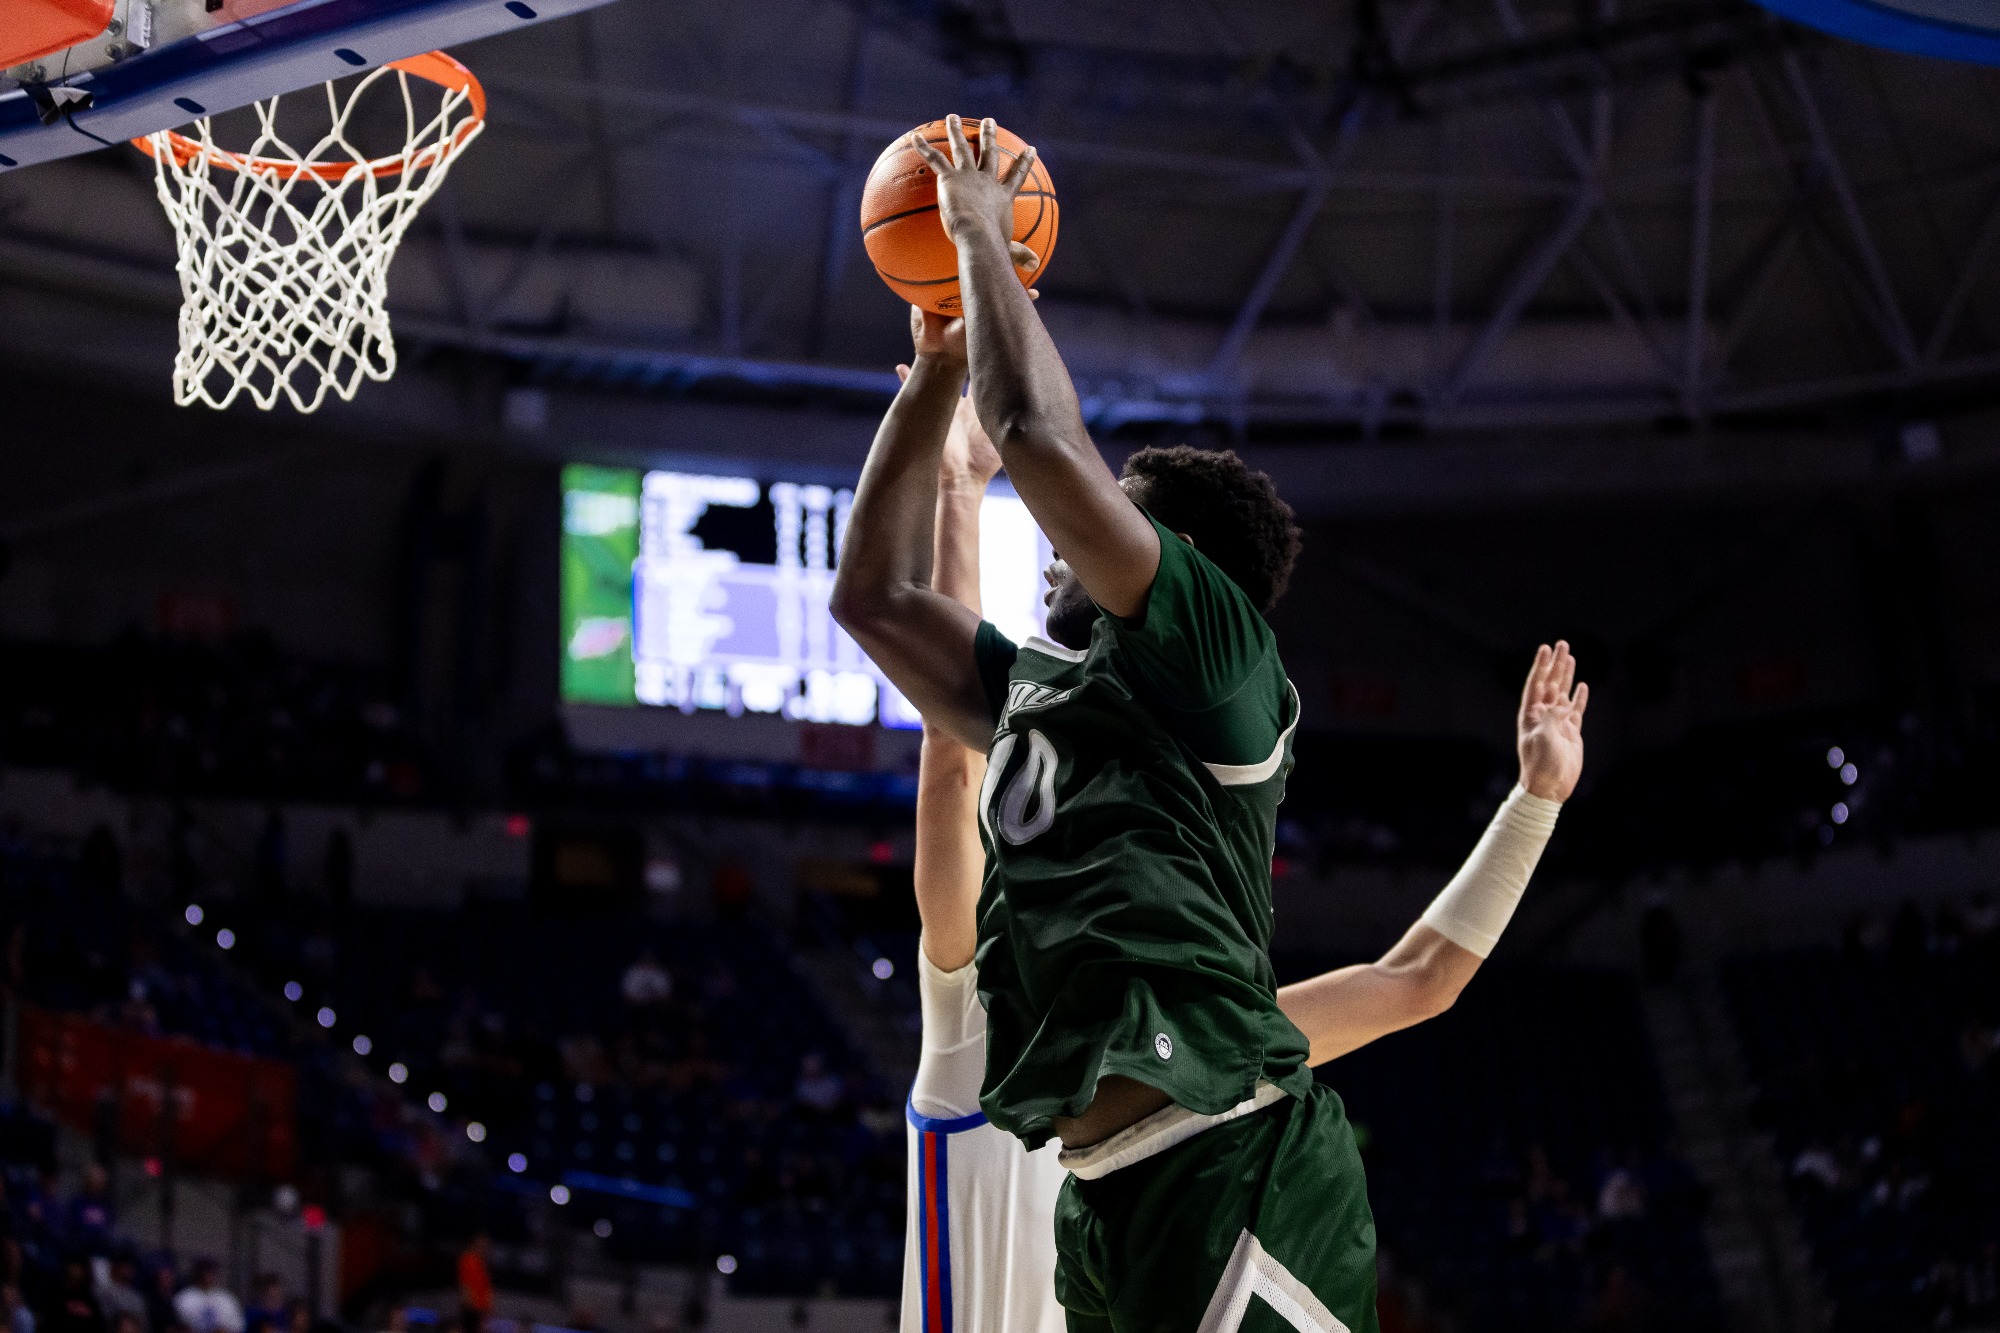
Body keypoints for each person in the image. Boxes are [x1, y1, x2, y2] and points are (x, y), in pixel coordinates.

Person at [835, 114, 1588, 1333]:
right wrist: (928, 379)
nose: (1065, 549)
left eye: (1111, 513)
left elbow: (1036, 435)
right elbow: (870, 598)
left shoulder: (1220, 665)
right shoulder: (1038, 693)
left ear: (1172, 559)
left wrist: (984, 240)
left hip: (1238, 1165)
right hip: (1103, 1205)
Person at [172, 1260, 243, 1333]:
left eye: (210, 1272)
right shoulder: (183, 1298)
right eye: (204, 1271)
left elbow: (238, 1326)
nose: (207, 1276)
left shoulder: (226, 1298)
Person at [456, 1234, 493, 1333]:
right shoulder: (467, 1259)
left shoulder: (481, 1262)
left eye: (486, 1244)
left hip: (481, 1311)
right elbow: (465, 1286)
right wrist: (472, 1309)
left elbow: (486, 1288)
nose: (485, 1246)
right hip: (472, 1310)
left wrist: (488, 1309)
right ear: (474, 1242)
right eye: (482, 1243)